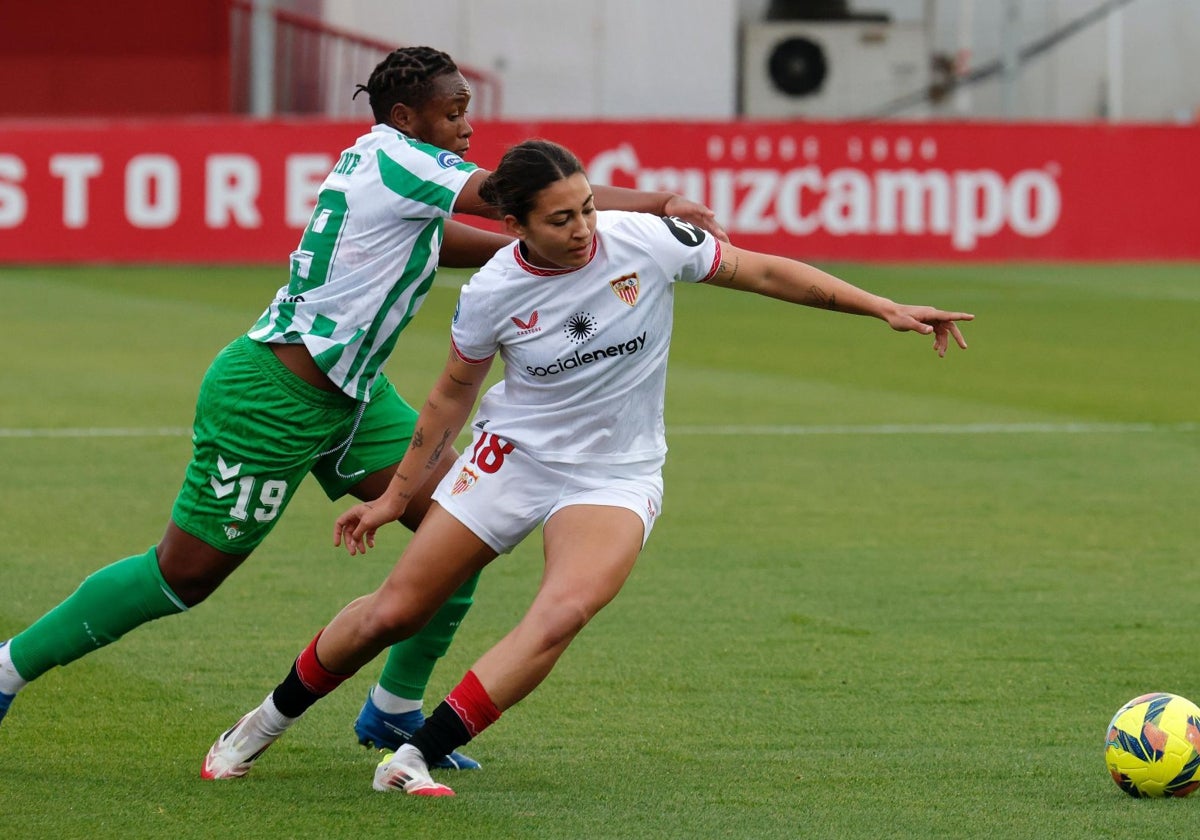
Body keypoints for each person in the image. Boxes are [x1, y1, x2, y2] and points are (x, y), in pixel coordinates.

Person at [0, 49, 725, 774]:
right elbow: (514, 194)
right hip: (274, 397)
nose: (467, 126)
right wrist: (657, 204)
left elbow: (439, 240)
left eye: (466, 109)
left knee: (459, 527)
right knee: (184, 576)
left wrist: (527, 253)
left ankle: (393, 709)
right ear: (405, 117)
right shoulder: (404, 159)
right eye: (452, 112)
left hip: (354, 396)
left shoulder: (385, 165)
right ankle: (8, 668)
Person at [200, 138, 973, 795]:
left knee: (563, 611)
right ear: (513, 225)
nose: (584, 230)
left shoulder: (647, 240)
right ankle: (261, 723)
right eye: (561, 218)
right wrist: (393, 496)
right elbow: (447, 401)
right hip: (512, 460)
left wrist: (883, 306)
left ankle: (414, 756)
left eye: (588, 209)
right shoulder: (492, 292)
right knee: (398, 610)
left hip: (616, 471)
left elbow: (763, 272)